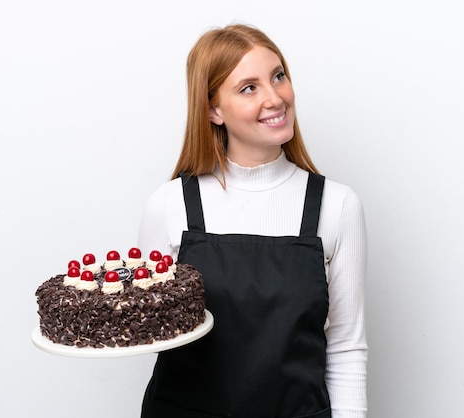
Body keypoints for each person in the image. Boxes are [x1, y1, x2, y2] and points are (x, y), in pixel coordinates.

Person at [137, 23, 367, 418]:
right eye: (249, 87)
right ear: (213, 110)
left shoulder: (336, 205)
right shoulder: (170, 205)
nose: (275, 98)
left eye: (278, 77)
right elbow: (148, 330)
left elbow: (346, 345)